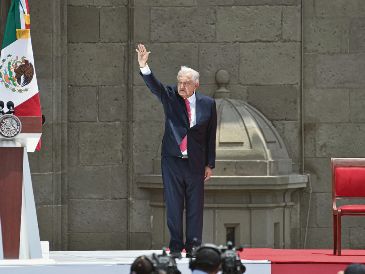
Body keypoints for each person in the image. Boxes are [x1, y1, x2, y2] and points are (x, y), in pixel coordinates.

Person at [136, 44, 217, 258]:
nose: (181, 86)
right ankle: (175, 246)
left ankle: (193, 246)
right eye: (179, 82)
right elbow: (156, 87)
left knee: (195, 206)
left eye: (186, 83)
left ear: (196, 85)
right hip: (172, 161)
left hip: (196, 163)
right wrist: (144, 67)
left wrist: (210, 164)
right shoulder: (170, 96)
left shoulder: (208, 104)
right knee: (173, 204)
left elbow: (210, 135)